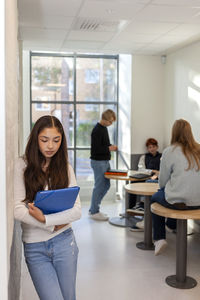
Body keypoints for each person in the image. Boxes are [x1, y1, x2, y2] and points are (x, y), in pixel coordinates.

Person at [14, 115, 81, 300]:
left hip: (65, 242)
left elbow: (76, 210)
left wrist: (45, 218)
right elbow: (18, 209)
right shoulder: (22, 165)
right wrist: (50, 225)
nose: (50, 146)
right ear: (36, 139)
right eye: (44, 140)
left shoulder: (65, 167)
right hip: (35, 247)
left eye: (56, 140)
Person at [151, 119, 200, 255]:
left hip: (179, 202)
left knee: (156, 197)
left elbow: (162, 181)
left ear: (174, 132)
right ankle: (171, 225)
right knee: (172, 195)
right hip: (198, 202)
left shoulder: (169, 151)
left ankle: (159, 238)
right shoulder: (199, 149)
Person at [89, 109, 118, 221]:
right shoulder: (97, 130)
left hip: (105, 161)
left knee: (106, 186)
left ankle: (94, 207)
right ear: (104, 119)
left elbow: (104, 145)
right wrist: (108, 148)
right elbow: (96, 149)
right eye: (110, 122)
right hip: (98, 162)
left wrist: (110, 146)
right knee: (99, 186)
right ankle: (94, 211)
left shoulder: (104, 129)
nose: (111, 124)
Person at [130, 138, 162, 232]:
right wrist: (152, 171)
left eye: (153, 147)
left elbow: (164, 170)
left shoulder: (162, 157)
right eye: (149, 147)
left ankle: (144, 206)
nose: (151, 149)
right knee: (133, 183)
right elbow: (141, 169)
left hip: (158, 178)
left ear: (157, 147)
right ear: (147, 148)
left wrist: (157, 174)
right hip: (145, 177)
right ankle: (132, 207)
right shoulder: (144, 157)